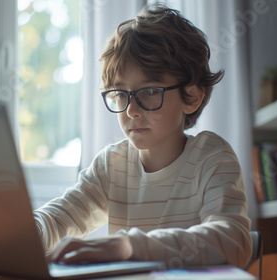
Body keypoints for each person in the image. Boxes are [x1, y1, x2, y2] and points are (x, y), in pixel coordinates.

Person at [34, 4, 252, 268]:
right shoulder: (111, 165)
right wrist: (21, 235)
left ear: (192, 96)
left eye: (148, 92)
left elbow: (232, 242)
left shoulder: (211, 157)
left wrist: (128, 246)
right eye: (121, 94)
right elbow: (57, 220)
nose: (132, 111)